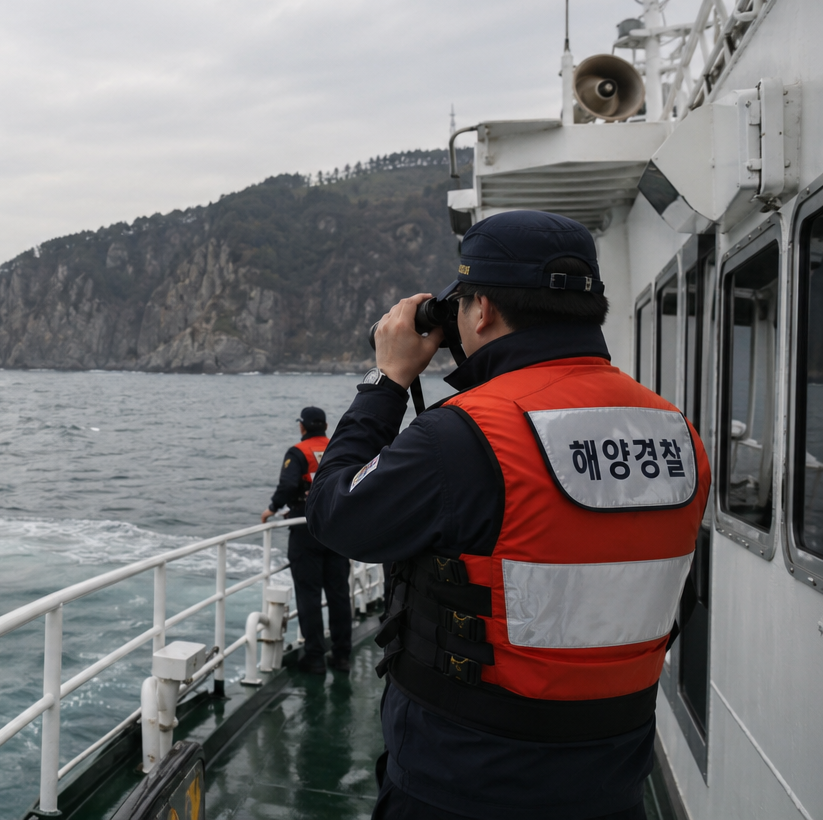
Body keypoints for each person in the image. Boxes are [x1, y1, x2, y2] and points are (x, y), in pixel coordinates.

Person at [305, 210, 709, 820]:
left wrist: (386, 380)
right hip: (613, 777)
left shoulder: (462, 436)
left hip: (464, 782)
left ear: (483, 310)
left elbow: (335, 514)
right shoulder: (677, 433)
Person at [261, 406, 351, 674]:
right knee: (339, 594)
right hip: (335, 529)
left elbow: (289, 485)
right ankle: (342, 654)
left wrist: (273, 508)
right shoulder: (338, 448)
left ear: (303, 427)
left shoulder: (298, 452)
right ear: (325, 425)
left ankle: (314, 657)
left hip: (306, 529)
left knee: (309, 594)